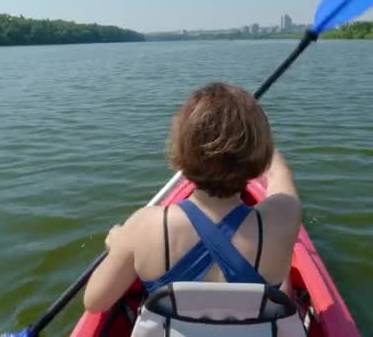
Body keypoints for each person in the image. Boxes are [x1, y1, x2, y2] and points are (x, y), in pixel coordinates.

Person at [83, 82, 302, 313]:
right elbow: (279, 172)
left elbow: (95, 303)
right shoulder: (285, 216)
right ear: (260, 153)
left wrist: (119, 245)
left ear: (181, 151)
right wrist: (257, 136)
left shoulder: (143, 226)